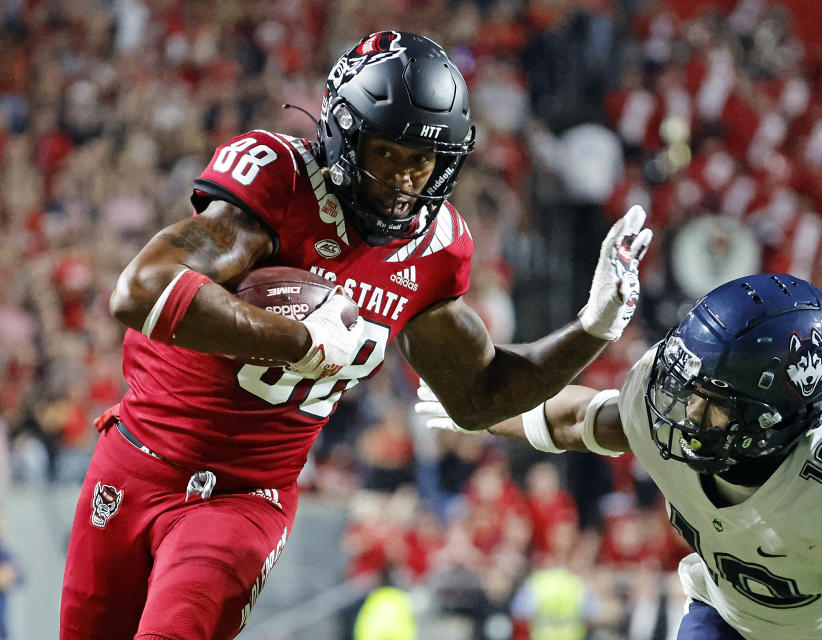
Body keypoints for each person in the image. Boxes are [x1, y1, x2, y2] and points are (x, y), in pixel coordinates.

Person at [58, 31, 653, 640]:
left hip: (244, 498)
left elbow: (481, 397)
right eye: (388, 153)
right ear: (345, 137)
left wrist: (593, 327)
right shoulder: (279, 181)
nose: (404, 180)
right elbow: (141, 290)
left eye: (423, 161)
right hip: (131, 462)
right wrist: (295, 340)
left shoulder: (433, 252)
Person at [417, 273, 822, 640]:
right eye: (688, 382)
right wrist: (480, 407)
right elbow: (573, 419)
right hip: (724, 617)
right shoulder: (663, 398)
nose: (687, 409)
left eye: (717, 401)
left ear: (780, 418)